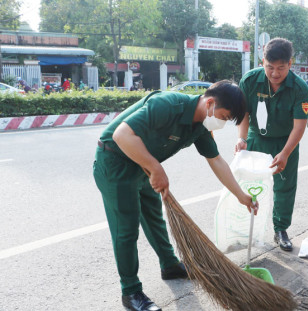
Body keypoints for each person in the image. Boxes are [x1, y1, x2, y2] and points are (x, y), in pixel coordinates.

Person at [93, 80, 258, 311]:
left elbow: (216, 161)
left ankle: (169, 265)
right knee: (126, 229)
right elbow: (122, 135)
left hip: (142, 165)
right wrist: (156, 168)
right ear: (209, 102)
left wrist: (241, 195)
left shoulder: (200, 125)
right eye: (223, 116)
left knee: (154, 217)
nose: (221, 122)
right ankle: (130, 292)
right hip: (115, 163)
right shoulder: (167, 105)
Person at [235, 38, 308, 252]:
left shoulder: (299, 88)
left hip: (285, 142)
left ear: (290, 63)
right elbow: (244, 114)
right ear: (262, 61)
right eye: (269, 67)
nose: (275, 73)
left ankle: (280, 230)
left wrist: (285, 153)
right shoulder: (250, 81)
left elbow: (299, 126)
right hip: (256, 137)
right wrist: (241, 138)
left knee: (284, 187)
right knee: (249, 184)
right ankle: (247, 229)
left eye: (281, 68)